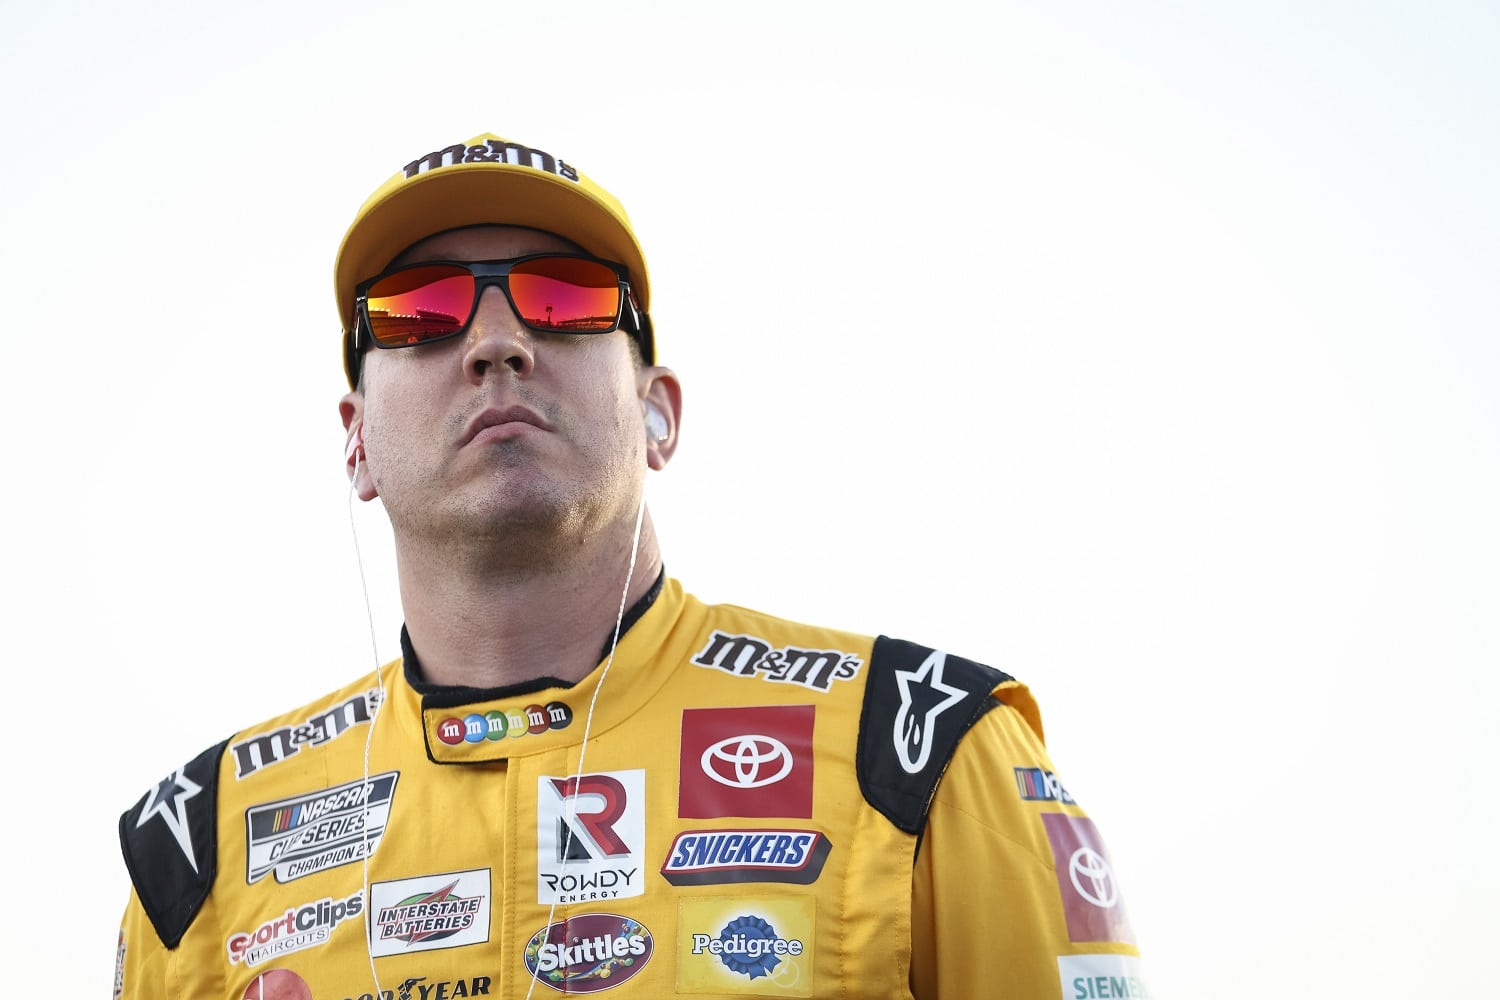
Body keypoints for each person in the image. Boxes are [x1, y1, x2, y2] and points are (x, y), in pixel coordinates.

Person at [115, 131, 1147, 1000]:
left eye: (563, 298)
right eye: (419, 310)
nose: (496, 342)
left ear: (659, 413)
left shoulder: (922, 754)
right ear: (355, 442)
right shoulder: (200, 853)